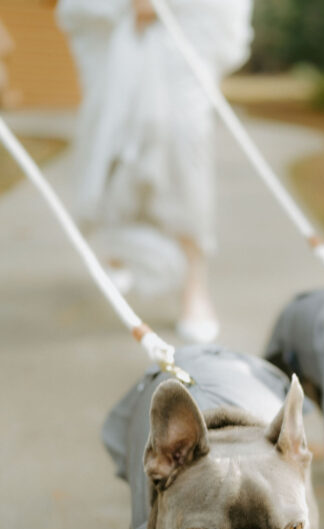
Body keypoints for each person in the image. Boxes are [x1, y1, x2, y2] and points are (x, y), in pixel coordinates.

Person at [57, 0, 252, 343]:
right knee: (111, 128)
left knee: (183, 138)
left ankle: (195, 280)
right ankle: (116, 251)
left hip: (191, 15)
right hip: (110, 15)